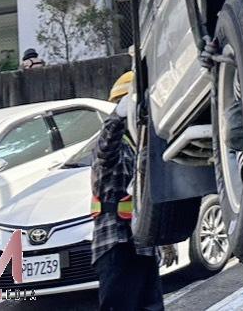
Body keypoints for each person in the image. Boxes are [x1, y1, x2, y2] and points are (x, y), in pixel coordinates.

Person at [90, 71, 164, 311]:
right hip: (116, 244)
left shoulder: (139, 145)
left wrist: (162, 239)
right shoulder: (113, 144)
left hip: (141, 243)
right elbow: (105, 149)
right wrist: (119, 116)